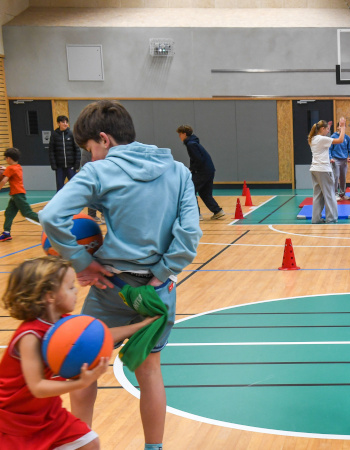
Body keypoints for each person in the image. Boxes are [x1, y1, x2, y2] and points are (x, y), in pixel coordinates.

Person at [39, 100, 202, 450]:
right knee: (150, 374)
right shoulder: (178, 171)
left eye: (90, 149)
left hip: (111, 286)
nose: (92, 157)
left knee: (84, 368)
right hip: (159, 292)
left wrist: (81, 262)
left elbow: (52, 217)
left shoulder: (99, 172)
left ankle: (79, 442)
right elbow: (189, 235)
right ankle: (153, 448)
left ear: (104, 139)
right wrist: (163, 272)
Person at [0, 256, 158, 449]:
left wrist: (141, 326)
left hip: (47, 412)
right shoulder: (29, 336)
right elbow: (37, 387)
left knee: (89, 443)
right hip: (16, 419)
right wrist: (82, 383)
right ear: (50, 296)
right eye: (69, 287)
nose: (76, 291)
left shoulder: (62, 322)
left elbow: (102, 334)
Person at [176, 125, 225, 220]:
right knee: (205, 193)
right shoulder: (193, 142)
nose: (179, 136)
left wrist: (192, 169)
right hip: (209, 170)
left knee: (190, 191)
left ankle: (196, 215)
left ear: (184, 134)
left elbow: (198, 159)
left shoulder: (191, 144)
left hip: (202, 171)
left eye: (180, 134)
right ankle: (217, 211)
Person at [308, 119, 346, 224]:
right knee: (329, 194)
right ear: (322, 129)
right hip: (323, 170)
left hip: (314, 169)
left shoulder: (314, 138)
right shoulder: (321, 139)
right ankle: (331, 219)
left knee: (317, 195)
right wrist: (342, 127)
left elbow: (326, 138)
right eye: (327, 129)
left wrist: (327, 127)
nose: (328, 131)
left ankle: (316, 219)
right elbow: (340, 140)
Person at [0, 147, 40, 242]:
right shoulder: (18, 167)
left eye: (6, 158)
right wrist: (5, 169)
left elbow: (4, 180)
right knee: (9, 213)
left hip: (17, 195)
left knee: (27, 213)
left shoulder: (10, 169)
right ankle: (6, 233)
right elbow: (12, 170)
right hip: (16, 195)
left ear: (9, 158)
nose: (6, 160)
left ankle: (49, 223)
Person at [49, 115, 80, 191]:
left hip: (71, 166)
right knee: (60, 186)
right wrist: (54, 165)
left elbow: (77, 150)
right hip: (60, 167)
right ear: (58, 123)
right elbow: (51, 151)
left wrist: (76, 165)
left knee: (75, 186)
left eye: (66, 122)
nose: (65, 124)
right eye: (63, 122)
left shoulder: (71, 134)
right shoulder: (54, 135)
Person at [329, 117, 350, 200]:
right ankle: (335, 194)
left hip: (344, 160)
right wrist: (330, 158)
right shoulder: (333, 136)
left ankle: (342, 194)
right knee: (336, 177)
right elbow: (329, 149)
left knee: (343, 177)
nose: (342, 127)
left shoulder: (347, 138)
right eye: (340, 125)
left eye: (343, 126)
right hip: (335, 159)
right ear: (337, 127)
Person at [78, 147, 104, 225]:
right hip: (97, 171)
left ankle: (94, 215)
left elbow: (83, 161)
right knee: (100, 192)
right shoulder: (100, 144)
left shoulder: (88, 144)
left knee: (93, 192)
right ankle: (101, 215)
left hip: (93, 171)